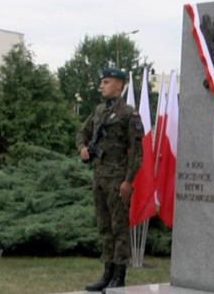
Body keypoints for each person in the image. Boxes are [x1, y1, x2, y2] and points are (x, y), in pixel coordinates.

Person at [76, 67, 144, 292]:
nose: (102, 86)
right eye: (102, 82)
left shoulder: (129, 114)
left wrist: (128, 181)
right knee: (104, 227)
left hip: (117, 180)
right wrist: (83, 147)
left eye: (106, 82)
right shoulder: (98, 111)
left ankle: (119, 276)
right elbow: (82, 132)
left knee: (119, 228)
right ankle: (107, 274)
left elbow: (136, 152)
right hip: (99, 178)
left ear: (119, 85)